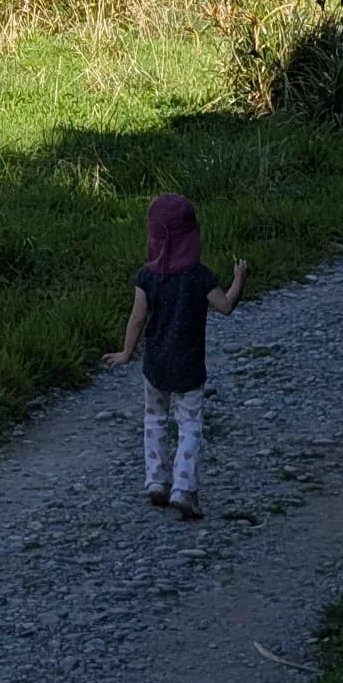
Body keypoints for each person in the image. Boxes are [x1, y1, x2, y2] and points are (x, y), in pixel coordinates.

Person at [103, 192, 246, 520]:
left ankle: (156, 481)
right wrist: (239, 279)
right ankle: (183, 488)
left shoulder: (147, 277)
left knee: (154, 420)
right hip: (190, 366)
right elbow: (225, 306)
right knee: (190, 425)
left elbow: (137, 318)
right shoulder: (199, 276)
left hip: (155, 365)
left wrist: (127, 353)